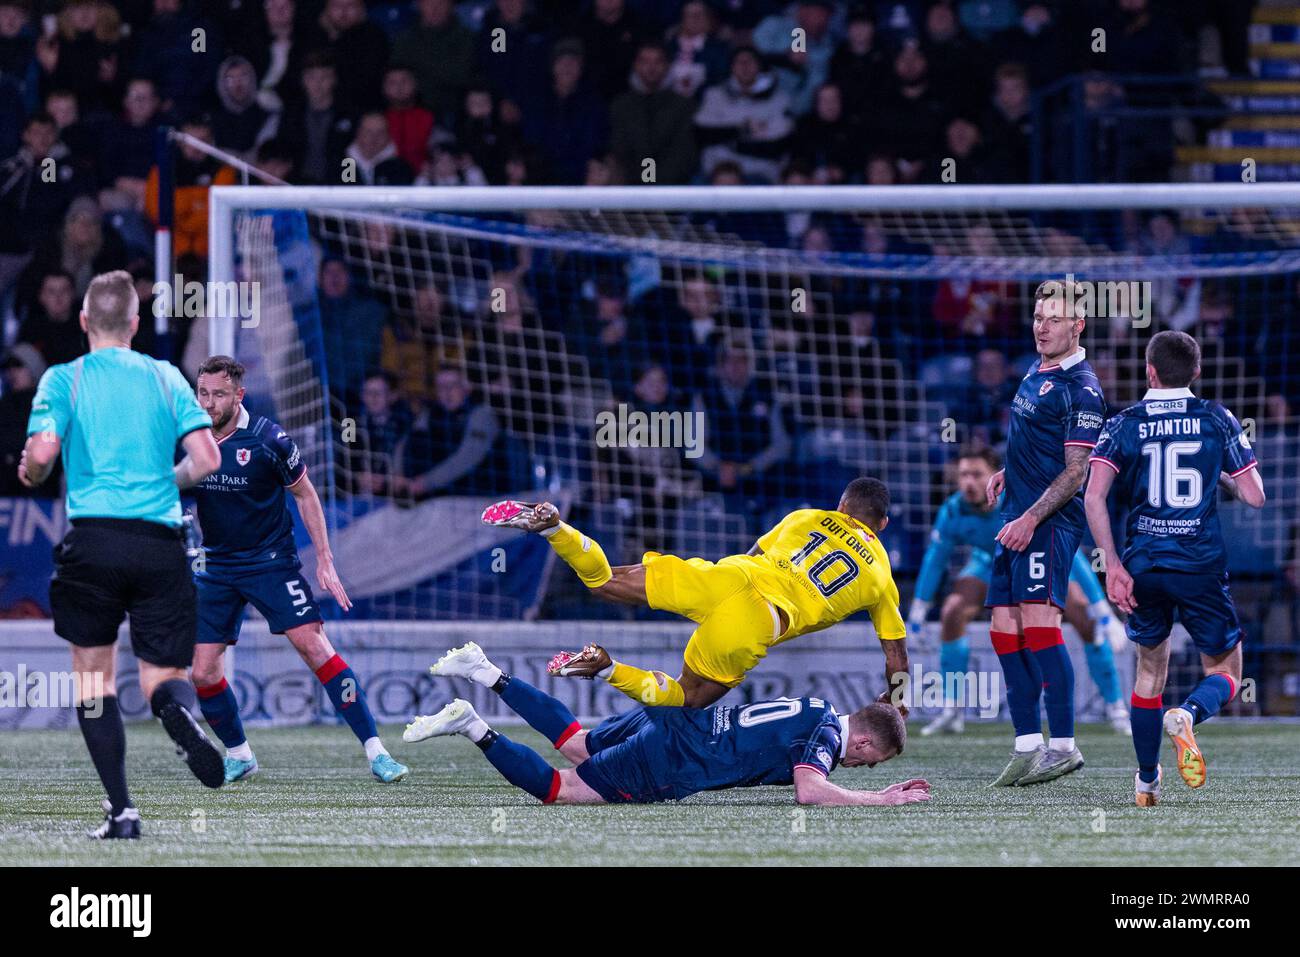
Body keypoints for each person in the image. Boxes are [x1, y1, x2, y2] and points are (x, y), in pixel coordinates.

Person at [18, 270, 225, 839]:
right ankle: (176, 710)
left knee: (92, 680)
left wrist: (32, 468)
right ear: (136, 324)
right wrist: (166, 481)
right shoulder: (165, 376)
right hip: (159, 542)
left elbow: (43, 452)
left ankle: (123, 811)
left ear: (84, 321)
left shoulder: (65, 378)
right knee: (165, 674)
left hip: (95, 541)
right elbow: (207, 459)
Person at [480, 476, 909, 713]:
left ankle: (556, 528)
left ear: (840, 505)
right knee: (689, 698)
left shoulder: (806, 517)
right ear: (883, 525)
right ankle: (607, 669)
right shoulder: (881, 577)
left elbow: (755, 552)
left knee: (605, 581)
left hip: (729, 576)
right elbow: (896, 659)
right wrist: (899, 703)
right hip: (760, 619)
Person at [185, 355, 408, 783]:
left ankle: (377, 751)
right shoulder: (192, 439)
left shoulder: (271, 440)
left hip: (271, 564)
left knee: (314, 647)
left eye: (219, 395)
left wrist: (325, 559)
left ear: (239, 395)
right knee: (202, 671)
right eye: (204, 394)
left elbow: (306, 496)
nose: (209, 403)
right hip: (215, 566)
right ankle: (239, 754)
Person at [403, 642, 930, 808]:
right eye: (869, 761)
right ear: (860, 740)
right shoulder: (829, 738)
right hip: (679, 758)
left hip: (681, 716)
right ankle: (472, 724)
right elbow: (810, 792)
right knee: (561, 790)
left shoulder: (817, 707)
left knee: (578, 743)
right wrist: (880, 800)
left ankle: (485, 671)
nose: (860, 767)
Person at [1085, 330, 1265, 807]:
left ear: (1150, 371)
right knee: (1227, 668)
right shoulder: (1217, 418)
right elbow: (1255, 496)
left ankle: (1147, 783)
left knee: (1148, 671)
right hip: (1199, 563)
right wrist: (1218, 472)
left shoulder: (1124, 422)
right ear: (1198, 372)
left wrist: (1113, 566)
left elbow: (1094, 495)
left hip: (1143, 561)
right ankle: (1187, 713)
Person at [908, 444, 1128, 737]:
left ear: (994, 476)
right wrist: (918, 613)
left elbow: (1071, 555)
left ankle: (1116, 708)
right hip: (989, 564)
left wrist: (1103, 612)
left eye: (976, 474)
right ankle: (952, 709)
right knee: (952, 612)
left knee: (1082, 616)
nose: (969, 482)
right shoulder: (953, 510)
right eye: (963, 475)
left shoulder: (1018, 500)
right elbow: (935, 559)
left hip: (1034, 560)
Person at [983, 278, 1107, 786]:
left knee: (1039, 627)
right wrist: (1009, 471)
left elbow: (1077, 470)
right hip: (1017, 509)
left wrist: (1031, 516)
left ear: (1078, 325)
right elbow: (1039, 442)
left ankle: (1064, 746)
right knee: (1001, 630)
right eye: (1038, 317)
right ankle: (1027, 743)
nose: (1042, 326)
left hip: (1048, 522)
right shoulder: (1037, 368)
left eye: (1054, 319)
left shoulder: (1084, 390)